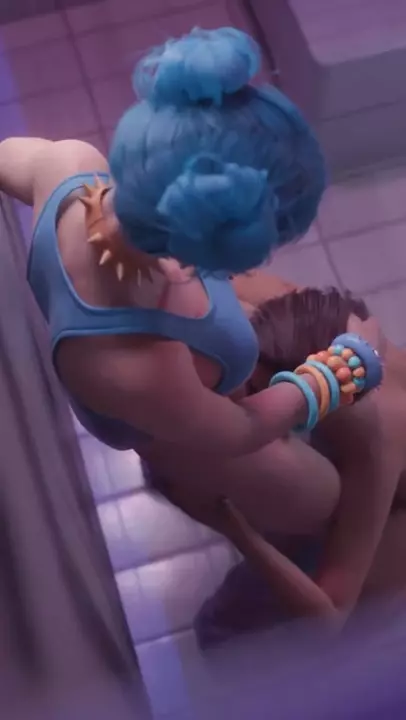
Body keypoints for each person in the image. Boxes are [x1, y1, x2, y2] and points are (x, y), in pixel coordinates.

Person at [0, 28, 379, 589]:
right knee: (322, 499)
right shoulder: (134, 367)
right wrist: (331, 375)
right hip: (179, 433)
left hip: (192, 389)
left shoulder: (72, 164)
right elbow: (239, 431)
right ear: (193, 259)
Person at [193, 273, 406, 645]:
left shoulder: (377, 442)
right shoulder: (280, 310)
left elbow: (332, 612)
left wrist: (235, 529)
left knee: (247, 618)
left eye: (262, 392)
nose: (248, 401)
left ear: (329, 401)